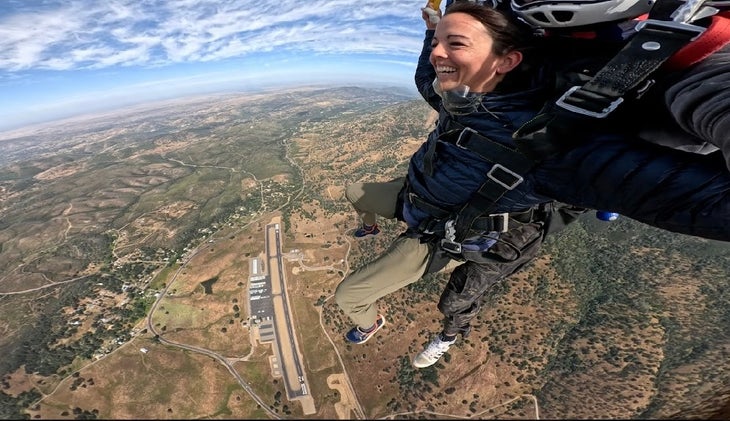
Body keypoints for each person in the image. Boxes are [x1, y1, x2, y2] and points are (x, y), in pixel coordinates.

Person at [336, 2, 578, 365]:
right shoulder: (464, 103)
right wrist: (430, 32)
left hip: (442, 234)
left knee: (349, 295)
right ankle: (370, 226)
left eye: (456, 45)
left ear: (509, 62)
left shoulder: (542, 150)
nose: (439, 54)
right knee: (354, 191)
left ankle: (370, 325)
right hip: (416, 198)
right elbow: (426, 80)